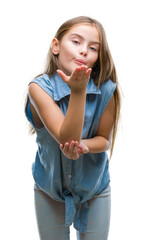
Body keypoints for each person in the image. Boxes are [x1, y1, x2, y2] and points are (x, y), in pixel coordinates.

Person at [25, 16, 121, 240]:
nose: (84, 51)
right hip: (50, 192)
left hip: (94, 190)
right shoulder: (38, 88)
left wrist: (85, 147)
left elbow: (103, 139)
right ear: (56, 46)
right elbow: (65, 137)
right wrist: (78, 91)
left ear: (98, 57)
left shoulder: (106, 90)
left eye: (93, 48)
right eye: (76, 42)